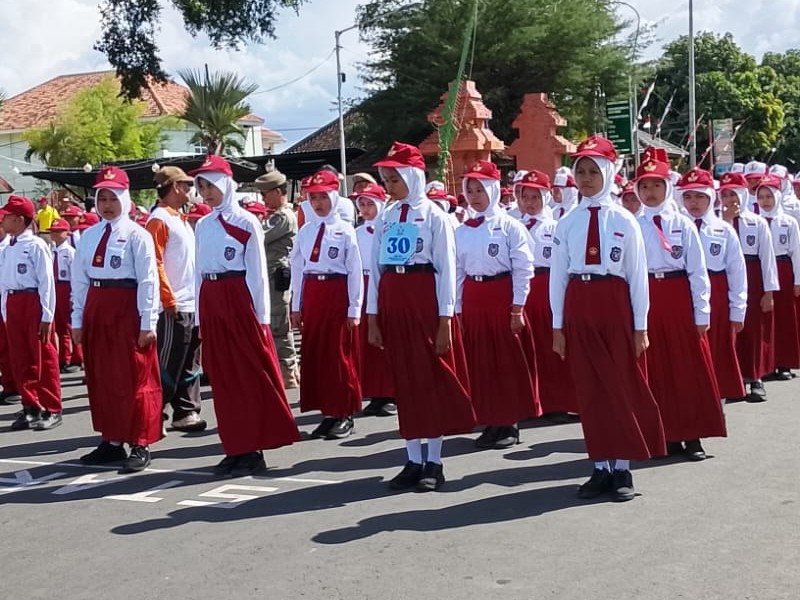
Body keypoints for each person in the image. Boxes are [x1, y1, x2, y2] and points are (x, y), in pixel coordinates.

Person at [550, 136, 665, 502]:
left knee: (618, 387)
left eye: (593, 171)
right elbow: (558, 275)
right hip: (579, 302)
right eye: (581, 171)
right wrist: (557, 325)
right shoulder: (567, 222)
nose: (586, 179)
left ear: (608, 173)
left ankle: (622, 467)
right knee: (590, 390)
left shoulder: (624, 220)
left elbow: (637, 275)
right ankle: (600, 466)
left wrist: (640, 326)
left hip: (614, 302)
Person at [368, 142, 475, 492]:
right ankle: (412, 458)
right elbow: (376, 269)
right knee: (404, 381)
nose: (389, 186)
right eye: (386, 179)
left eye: (394, 179)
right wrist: (373, 316)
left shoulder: (434, 216)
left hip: (423, 295)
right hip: (393, 297)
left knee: (428, 380)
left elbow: (446, 270)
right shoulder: (385, 217)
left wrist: (445, 319)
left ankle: (434, 461)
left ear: (412, 177)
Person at [191, 155, 300, 476]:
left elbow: (257, 274)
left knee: (247, 375)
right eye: (202, 186)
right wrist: (199, 318)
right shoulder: (204, 225)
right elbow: (198, 272)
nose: (207, 192)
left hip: (239, 298)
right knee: (223, 378)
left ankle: (254, 447)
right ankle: (235, 446)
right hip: (211, 298)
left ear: (226, 184)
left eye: (211, 185)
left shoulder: (245, 221)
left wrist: (260, 318)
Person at [634, 159, 726, 461]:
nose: (650, 192)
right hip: (648, 298)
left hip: (678, 298)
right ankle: (666, 436)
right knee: (657, 370)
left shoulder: (682, 223)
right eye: (644, 186)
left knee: (687, 369)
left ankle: (693, 435)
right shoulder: (632, 224)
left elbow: (698, 271)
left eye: (656, 185)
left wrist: (702, 312)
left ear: (667, 188)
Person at [72, 167, 162, 472]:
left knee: (134, 377)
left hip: (127, 306)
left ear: (125, 198)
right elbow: (79, 281)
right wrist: (77, 319)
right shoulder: (88, 236)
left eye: (113, 198)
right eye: (102, 198)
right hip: (97, 305)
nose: (107, 205)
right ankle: (112, 440)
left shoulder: (138, 235)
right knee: (102, 377)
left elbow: (148, 280)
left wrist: (148, 322)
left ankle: (140, 442)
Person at [456, 160, 539, 449]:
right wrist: (458, 309)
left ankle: (509, 423)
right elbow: (457, 271)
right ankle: (491, 421)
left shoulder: (510, 227)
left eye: (480, 189)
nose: (475, 196)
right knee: (480, 363)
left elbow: (524, 268)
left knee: (505, 362)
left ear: (492, 189)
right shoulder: (462, 230)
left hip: (501, 294)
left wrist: (517, 307)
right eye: (470, 190)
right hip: (474, 297)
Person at [290, 169, 363, 438]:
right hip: (313, 293)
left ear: (333, 197)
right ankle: (328, 412)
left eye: (323, 197)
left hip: (336, 292)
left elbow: (355, 271)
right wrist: (296, 305)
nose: (318, 203)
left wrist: (354, 308)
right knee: (317, 354)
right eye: (313, 198)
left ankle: (344, 412)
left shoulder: (345, 231)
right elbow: (297, 268)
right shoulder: (305, 231)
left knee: (338, 355)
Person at [678, 168, 747, 402]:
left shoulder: (723, 230)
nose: (693, 202)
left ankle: (715, 401)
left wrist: (738, 309)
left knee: (715, 348)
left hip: (716, 292)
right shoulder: (676, 228)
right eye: (688, 196)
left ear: (710, 197)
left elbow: (737, 272)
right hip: (685, 291)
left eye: (700, 196)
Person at [146, 166, 206, 433]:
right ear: (176, 187)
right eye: (187, 185)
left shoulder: (180, 219)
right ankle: (154, 412)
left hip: (191, 301)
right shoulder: (159, 219)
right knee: (168, 361)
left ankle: (185, 410)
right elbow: (154, 262)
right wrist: (167, 298)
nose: (191, 190)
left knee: (190, 361)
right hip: (173, 304)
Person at [516, 170, 578, 419]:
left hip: (548, 288)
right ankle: (531, 400)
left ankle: (557, 402)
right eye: (525, 197)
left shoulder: (556, 227)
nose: (530, 203)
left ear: (546, 197)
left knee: (551, 348)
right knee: (528, 350)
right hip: (524, 292)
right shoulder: (515, 227)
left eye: (536, 197)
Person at [0, 196, 62, 430]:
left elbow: (46, 281)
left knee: (42, 356)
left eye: (7, 216)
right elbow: (4, 282)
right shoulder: (8, 247)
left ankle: (52, 407)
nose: (3, 220)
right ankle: (30, 405)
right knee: (20, 357)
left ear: (18, 219)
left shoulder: (36, 245)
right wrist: (5, 311)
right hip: (13, 301)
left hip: (32, 300)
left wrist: (47, 315)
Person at [718, 171, 779, 402]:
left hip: (753, 276)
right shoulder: (714, 223)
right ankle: (733, 382)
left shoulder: (757, 222)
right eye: (725, 195)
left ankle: (755, 378)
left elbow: (767, 258)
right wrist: (725, 222)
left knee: (753, 330)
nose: (729, 200)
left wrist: (769, 291)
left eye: (734, 194)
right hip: (726, 277)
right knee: (729, 330)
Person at [254, 170, 300, 389]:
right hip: (271, 274)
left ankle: (288, 370)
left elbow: (258, 236)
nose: (263, 199)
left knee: (279, 323)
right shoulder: (276, 215)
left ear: (277, 192)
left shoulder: (283, 217)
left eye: (265, 194)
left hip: (277, 275)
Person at [354, 183, 397, 417]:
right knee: (367, 342)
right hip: (363, 282)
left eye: (370, 203)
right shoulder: (357, 233)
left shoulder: (390, 229)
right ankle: (375, 392)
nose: (365, 209)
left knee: (385, 339)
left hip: (381, 281)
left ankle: (391, 393)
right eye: (362, 204)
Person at [755, 175, 800, 380]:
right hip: (761, 270)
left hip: (783, 269)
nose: (765, 201)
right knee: (765, 318)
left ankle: (785, 363)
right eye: (761, 196)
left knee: (784, 317)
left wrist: (797, 281)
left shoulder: (788, 222)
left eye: (769, 196)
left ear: (778, 197)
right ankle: (766, 363)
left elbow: (796, 252)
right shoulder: (755, 222)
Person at [49, 218, 84, 373]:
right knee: (59, 326)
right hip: (55, 287)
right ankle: (63, 358)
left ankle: (78, 357)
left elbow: (75, 276)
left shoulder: (70, 252)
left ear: (66, 233)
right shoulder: (51, 251)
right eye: (53, 231)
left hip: (66, 286)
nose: (55, 234)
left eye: (58, 231)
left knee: (70, 324)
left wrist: (73, 296)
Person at [0, 219, 21, 405]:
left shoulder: (11, 247)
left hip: (9, 298)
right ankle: (8, 383)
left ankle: (15, 386)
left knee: (10, 346)